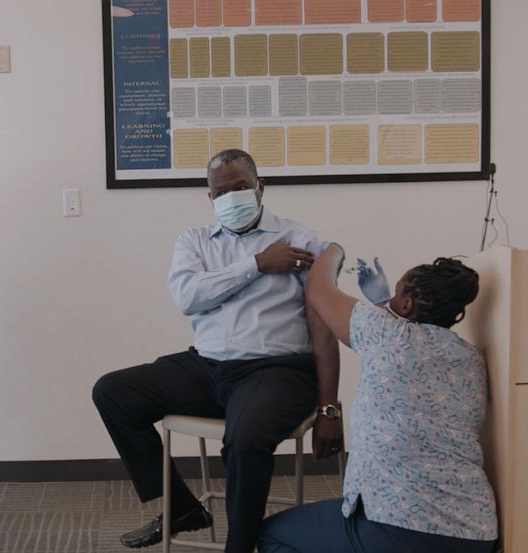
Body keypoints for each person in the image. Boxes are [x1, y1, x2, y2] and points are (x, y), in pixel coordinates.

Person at [92, 149, 343, 553]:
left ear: (261, 188)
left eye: (241, 187)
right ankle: (182, 510)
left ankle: (239, 547)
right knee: (113, 392)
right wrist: (258, 264)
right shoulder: (194, 241)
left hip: (276, 370)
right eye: (221, 192)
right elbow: (188, 297)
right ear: (210, 198)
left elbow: (324, 328)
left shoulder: (301, 241)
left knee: (243, 441)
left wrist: (329, 407)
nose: (231, 197)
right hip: (207, 367)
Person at [256, 247, 498, 553]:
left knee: (271, 535)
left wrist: (332, 250)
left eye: (397, 293)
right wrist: (385, 300)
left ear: (408, 305)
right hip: (475, 532)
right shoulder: (470, 358)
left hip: (400, 528)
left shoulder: (385, 334)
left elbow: (318, 288)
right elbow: (408, 332)